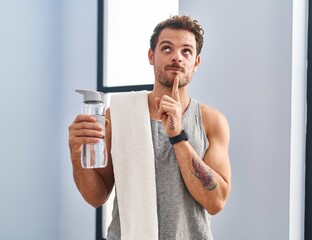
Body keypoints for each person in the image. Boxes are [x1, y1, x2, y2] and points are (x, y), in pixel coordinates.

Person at [68, 15, 231, 240]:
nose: (177, 57)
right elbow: (97, 196)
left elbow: (216, 201)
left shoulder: (211, 121)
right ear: (151, 56)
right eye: (166, 48)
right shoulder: (119, 114)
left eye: (186, 51)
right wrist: (77, 154)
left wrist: (177, 136)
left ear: (196, 63)